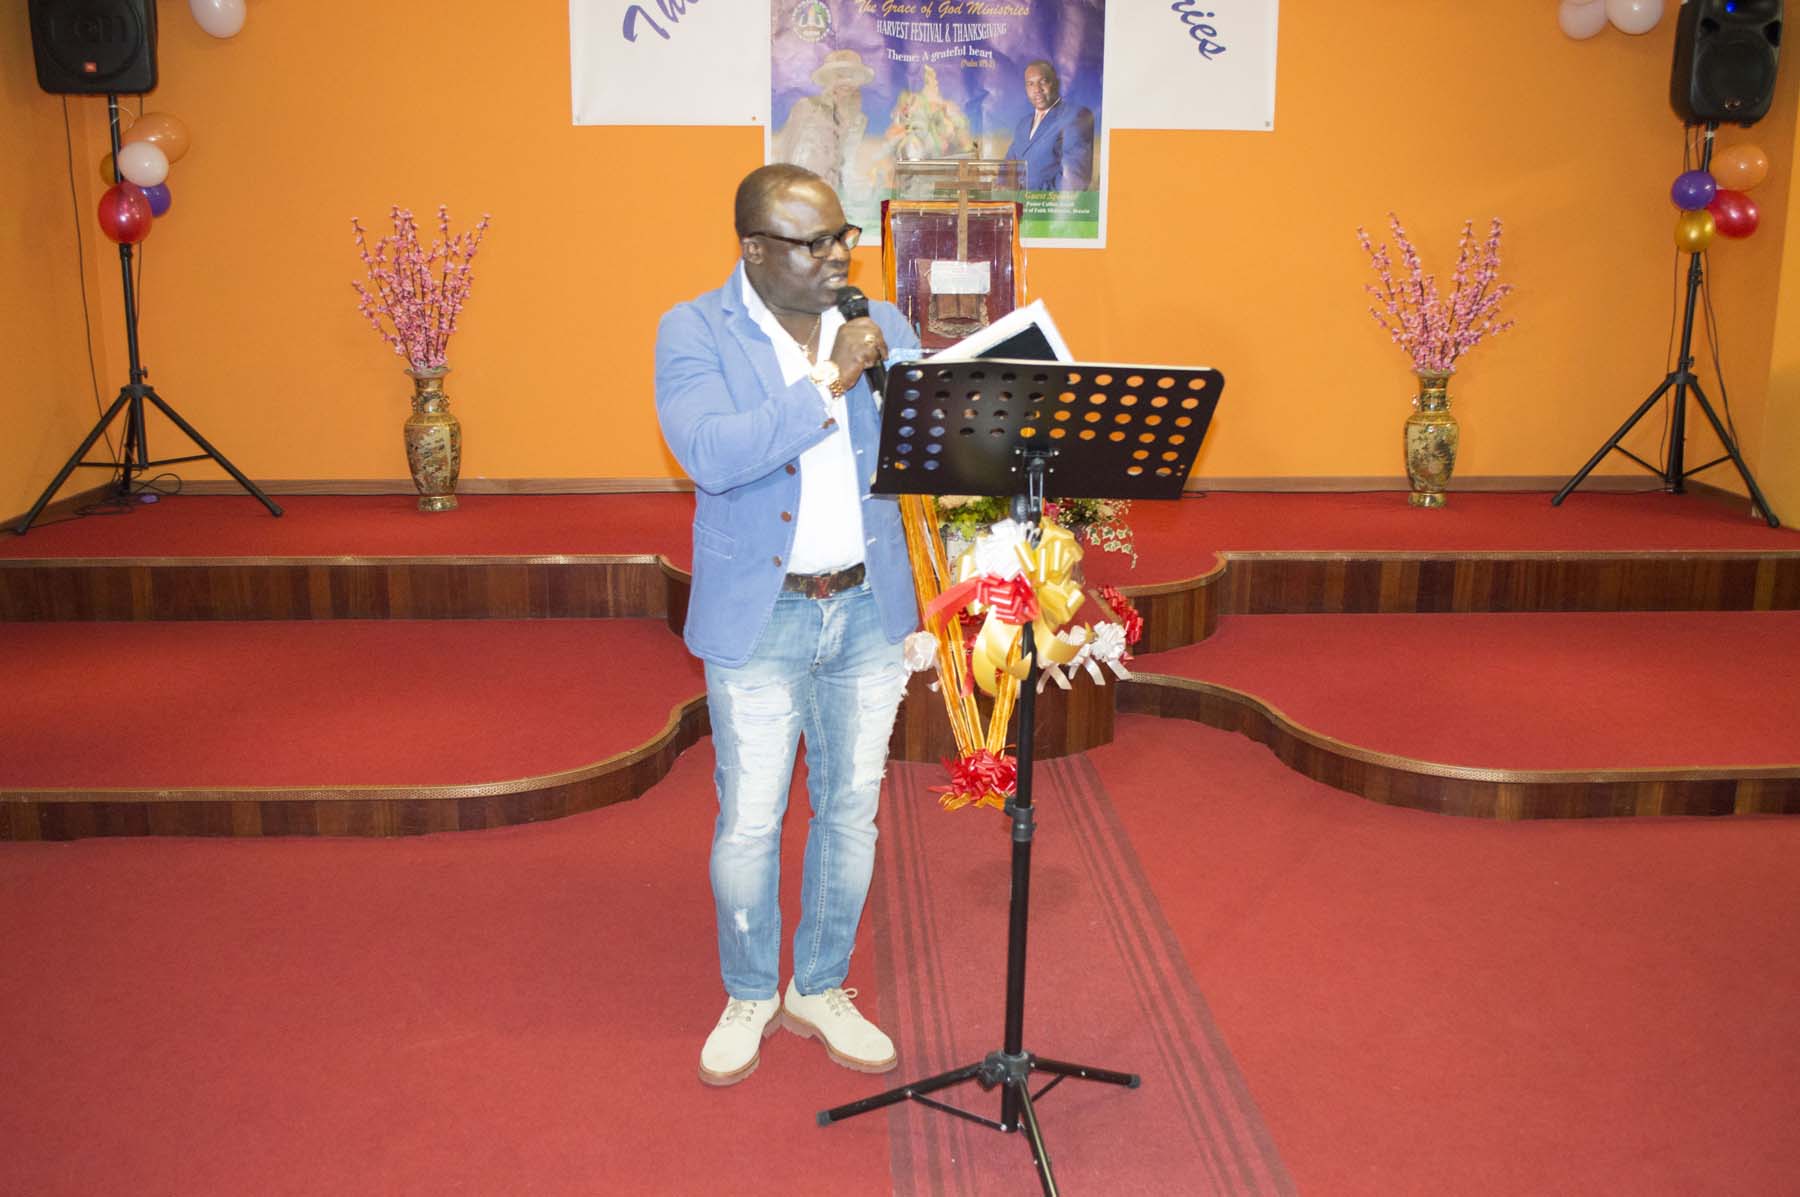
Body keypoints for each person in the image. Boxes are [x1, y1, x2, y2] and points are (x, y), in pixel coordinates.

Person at [654, 164, 922, 1087]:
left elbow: (929, 451)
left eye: (844, 235)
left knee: (851, 810)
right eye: (816, 242)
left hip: (869, 607)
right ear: (756, 250)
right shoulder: (695, 330)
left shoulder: (883, 325)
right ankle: (748, 991)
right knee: (751, 819)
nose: (841, 255)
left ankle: (818, 984)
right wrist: (830, 380)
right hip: (763, 612)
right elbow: (710, 453)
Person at [773, 50, 874, 201]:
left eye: (851, 76)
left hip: (836, 197)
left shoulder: (859, 120)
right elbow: (788, 154)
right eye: (840, 75)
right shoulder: (806, 107)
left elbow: (850, 162)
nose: (846, 82)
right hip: (803, 193)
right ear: (829, 78)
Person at [1004, 59, 1095, 192]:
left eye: (1043, 82)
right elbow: (1007, 166)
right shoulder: (1023, 124)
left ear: (1056, 84)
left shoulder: (1075, 115)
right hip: (1016, 202)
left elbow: (1074, 180)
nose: (1037, 89)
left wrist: (1032, 197)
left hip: (1047, 203)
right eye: (1030, 84)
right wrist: (1004, 190)